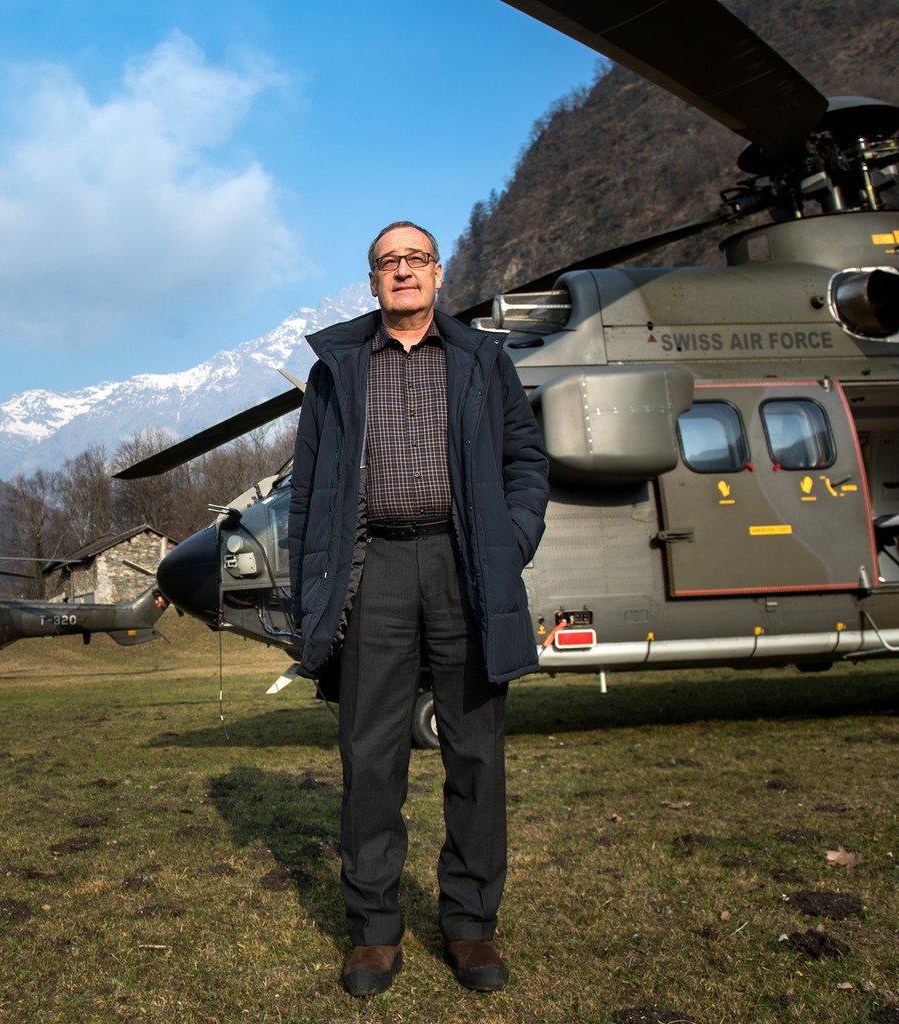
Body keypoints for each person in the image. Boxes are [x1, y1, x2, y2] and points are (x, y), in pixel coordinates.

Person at [288, 221, 549, 995]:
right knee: (371, 756)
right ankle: (373, 931)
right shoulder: (338, 370)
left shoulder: (481, 360)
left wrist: (510, 541)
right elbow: (309, 493)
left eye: (415, 260)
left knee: (476, 751)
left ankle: (470, 925)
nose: (402, 272)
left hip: (463, 560)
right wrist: (311, 584)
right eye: (386, 263)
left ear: (439, 275)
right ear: (372, 283)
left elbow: (525, 462)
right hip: (374, 567)